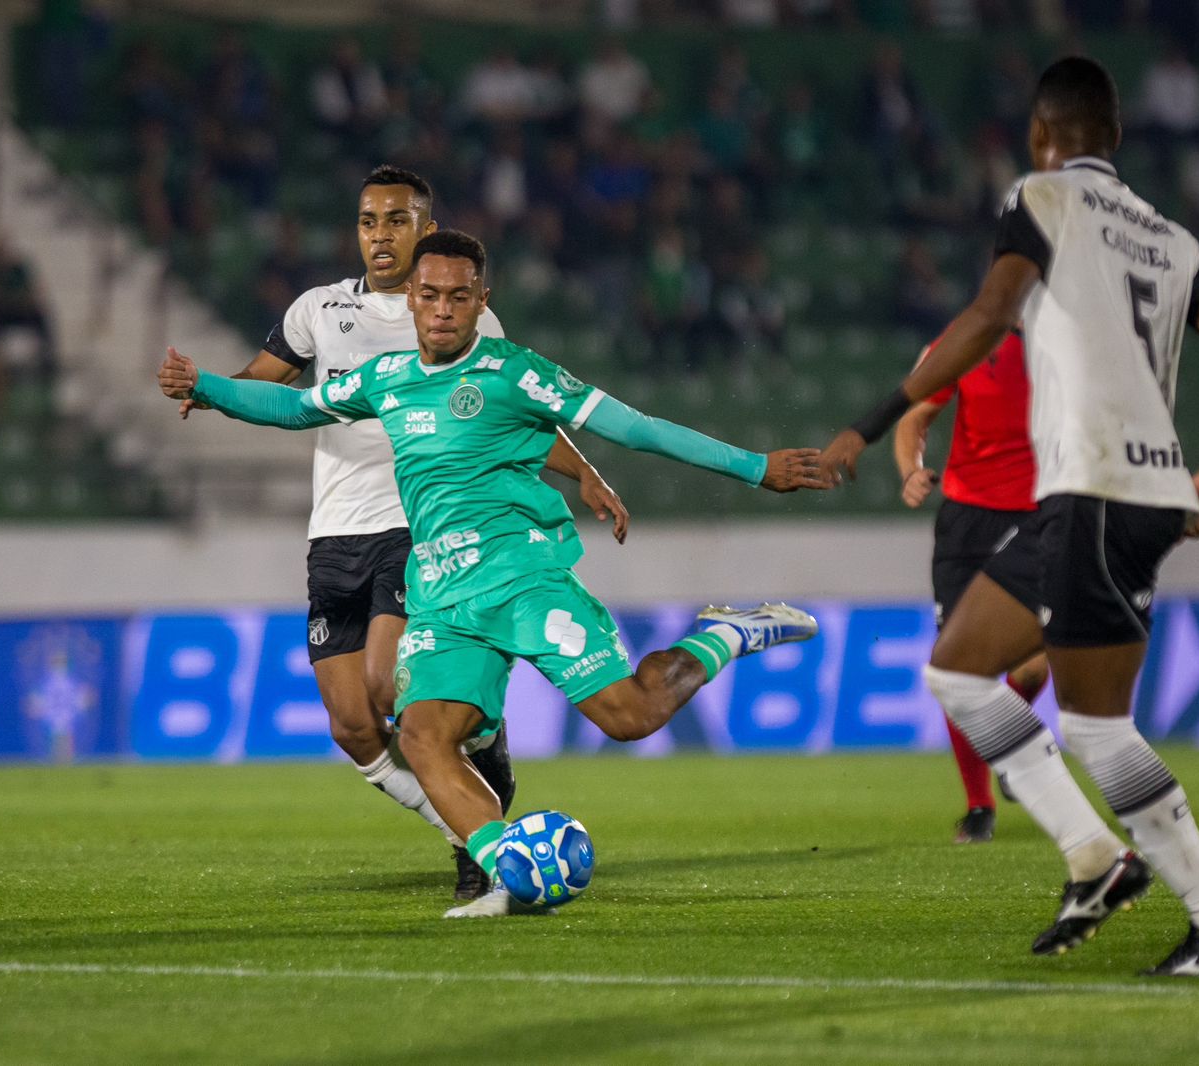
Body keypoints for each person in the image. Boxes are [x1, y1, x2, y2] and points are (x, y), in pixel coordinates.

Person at [161, 229, 829, 917]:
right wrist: (207, 388)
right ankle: (509, 871)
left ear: (483, 301)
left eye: (458, 297)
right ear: (411, 302)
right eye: (429, 296)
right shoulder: (385, 381)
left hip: (523, 583)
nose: (443, 310)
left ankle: (725, 633)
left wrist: (756, 468)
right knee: (422, 736)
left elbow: (638, 428)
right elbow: (294, 408)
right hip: (442, 598)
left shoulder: (517, 373)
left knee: (630, 717)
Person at [821, 56, 1199, 977]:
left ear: (1043, 136)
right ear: (1112, 137)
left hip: (1095, 490)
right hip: (1136, 495)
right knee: (961, 672)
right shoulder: (1165, 234)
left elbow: (992, 314)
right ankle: (1102, 862)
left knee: (1090, 725)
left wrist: (868, 426)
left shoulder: (1044, 197)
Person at [176, 166, 628, 902]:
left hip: (420, 528)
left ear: (424, 227)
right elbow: (268, 382)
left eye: (395, 220)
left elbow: (521, 417)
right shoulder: (318, 310)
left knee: (390, 685)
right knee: (353, 725)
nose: (379, 234)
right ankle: (471, 828)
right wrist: (210, 389)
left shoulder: (467, 317)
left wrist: (582, 474)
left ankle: (480, 768)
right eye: (366, 221)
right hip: (334, 535)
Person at [893, 327, 1049, 845]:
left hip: (1037, 516)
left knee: (1034, 664)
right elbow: (915, 415)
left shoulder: (1065, 342)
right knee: (957, 666)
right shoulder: (957, 345)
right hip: (967, 521)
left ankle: (1007, 740)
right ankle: (979, 805)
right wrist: (910, 469)